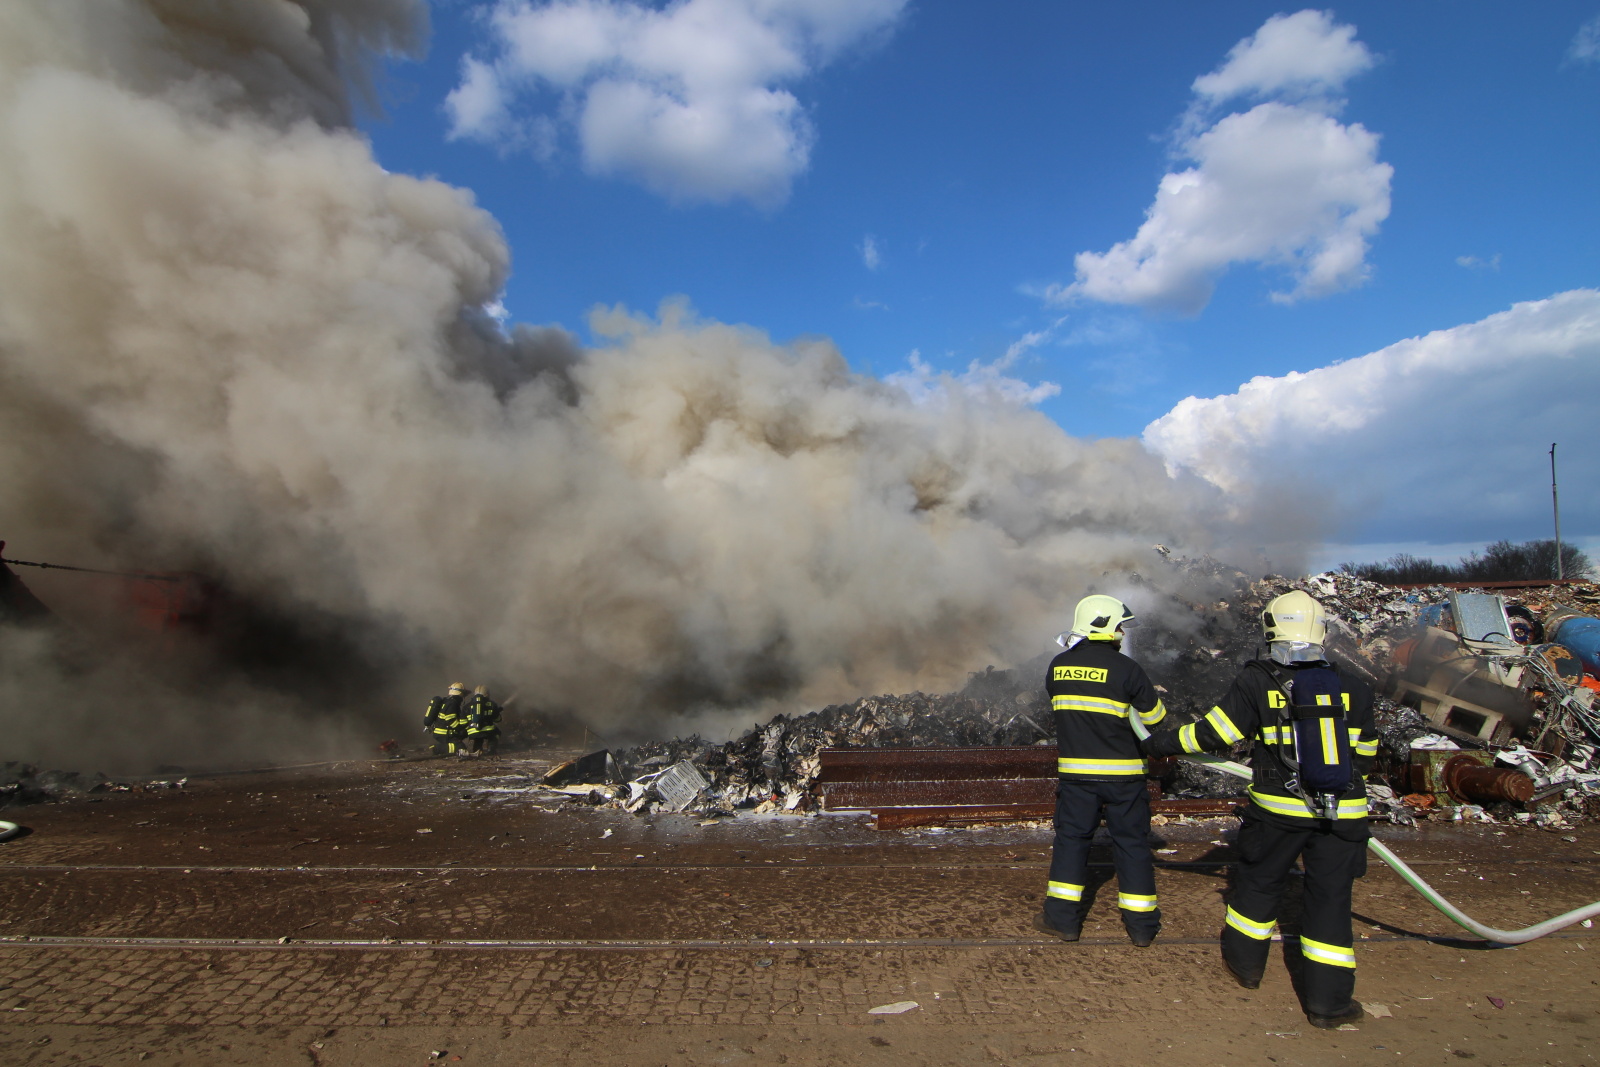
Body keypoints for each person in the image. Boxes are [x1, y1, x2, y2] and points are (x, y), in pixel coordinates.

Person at [1140, 590, 1379, 1029]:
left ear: (1271, 629)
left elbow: (1215, 734)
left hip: (1278, 812)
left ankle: (1246, 967)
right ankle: (1329, 1005)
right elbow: (1366, 755)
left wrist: (1159, 744)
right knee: (1330, 901)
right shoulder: (1355, 687)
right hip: (1343, 816)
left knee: (1258, 885)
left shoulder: (1259, 680)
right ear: (1321, 631)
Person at [1037, 594, 1168, 947]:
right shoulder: (1127, 669)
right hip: (1124, 777)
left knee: (1071, 842)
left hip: (1077, 777)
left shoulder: (1058, 666)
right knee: (1132, 845)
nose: (1123, 633)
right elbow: (1155, 718)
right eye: (1120, 627)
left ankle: (1062, 920)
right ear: (1105, 627)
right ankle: (1142, 927)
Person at [423, 682, 467, 757]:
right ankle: (435, 749)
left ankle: (441, 747)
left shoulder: (446, 701)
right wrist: (459, 728)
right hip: (444, 733)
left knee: (458, 745)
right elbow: (450, 719)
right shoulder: (452, 703)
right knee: (460, 747)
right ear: (461, 694)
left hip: (440, 732)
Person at [464, 684, 502, 756]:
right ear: (487, 694)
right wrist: (496, 712)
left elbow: (463, 722)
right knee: (496, 733)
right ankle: (491, 749)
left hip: (472, 732)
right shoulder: (492, 704)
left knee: (478, 738)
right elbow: (498, 719)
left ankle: (477, 750)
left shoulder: (467, 706)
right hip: (488, 731)